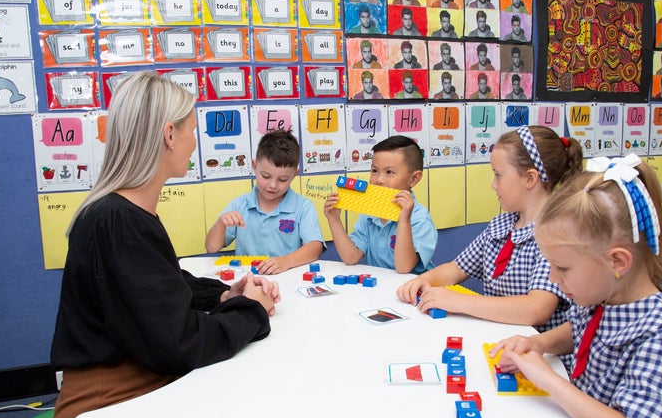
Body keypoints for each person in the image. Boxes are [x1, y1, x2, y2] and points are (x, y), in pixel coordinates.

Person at [49, 71, 280, 418]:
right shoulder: (117, 221)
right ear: (169, 135)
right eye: (191, 130)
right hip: (105, 409)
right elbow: (179, 343)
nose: (195, 143)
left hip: (131, 382)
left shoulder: (120, 213)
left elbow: (160, 283)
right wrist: (250, 310)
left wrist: (223, 297)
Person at [489, 155, 662, 418]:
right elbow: (584, 331)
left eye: (563, 269)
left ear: (617, 261)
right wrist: (541, 343)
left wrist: (548, 379)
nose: (554, 279)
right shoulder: (604, 291)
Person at [397, 126, 583, 330]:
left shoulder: (555, 234)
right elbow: (456, 268)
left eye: (498, 175)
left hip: (539, 350)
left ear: (530, 178)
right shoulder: (501, 225)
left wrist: (457, 301)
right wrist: (425, 280)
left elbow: (536, 309)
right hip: (498, 337)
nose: (493, 185)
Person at [206, 129, 325, 273]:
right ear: (254, 167)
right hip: (247, 281)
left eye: (283, 179)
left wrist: (285, 261)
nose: (273, 185)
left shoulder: (303, 207)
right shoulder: (239, 205)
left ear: (295, 175)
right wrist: (220, 223)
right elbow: (211, 247)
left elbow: (315, 247)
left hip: (287, 278)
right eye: (266, 176)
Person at [324, 135, 437, 274]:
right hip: (381, 289)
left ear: (414, 179)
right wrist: (334, 220)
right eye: (374, 171)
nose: (379, 180)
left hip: (413, 290)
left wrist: (404, 220)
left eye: (389, 172)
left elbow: (403, 268)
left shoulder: (420, 219)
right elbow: (351, 257)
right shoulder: (370, 214)